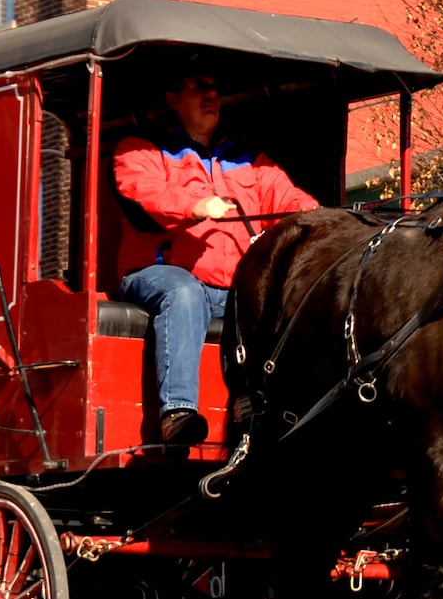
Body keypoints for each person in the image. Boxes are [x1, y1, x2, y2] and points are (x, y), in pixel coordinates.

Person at [113, 66, 320, 447]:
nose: (212, 96)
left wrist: (320, 219)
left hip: (232, 289)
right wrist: (195, 204)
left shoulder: (247, 160)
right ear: (172, 99)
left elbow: (287, 199)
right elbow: (143, 191)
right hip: (159, 274)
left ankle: (259, 411)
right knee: (184, 292)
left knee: (280, 301)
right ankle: (177, 413)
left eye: (215, 88)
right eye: (199, 87)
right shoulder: (140, 148)